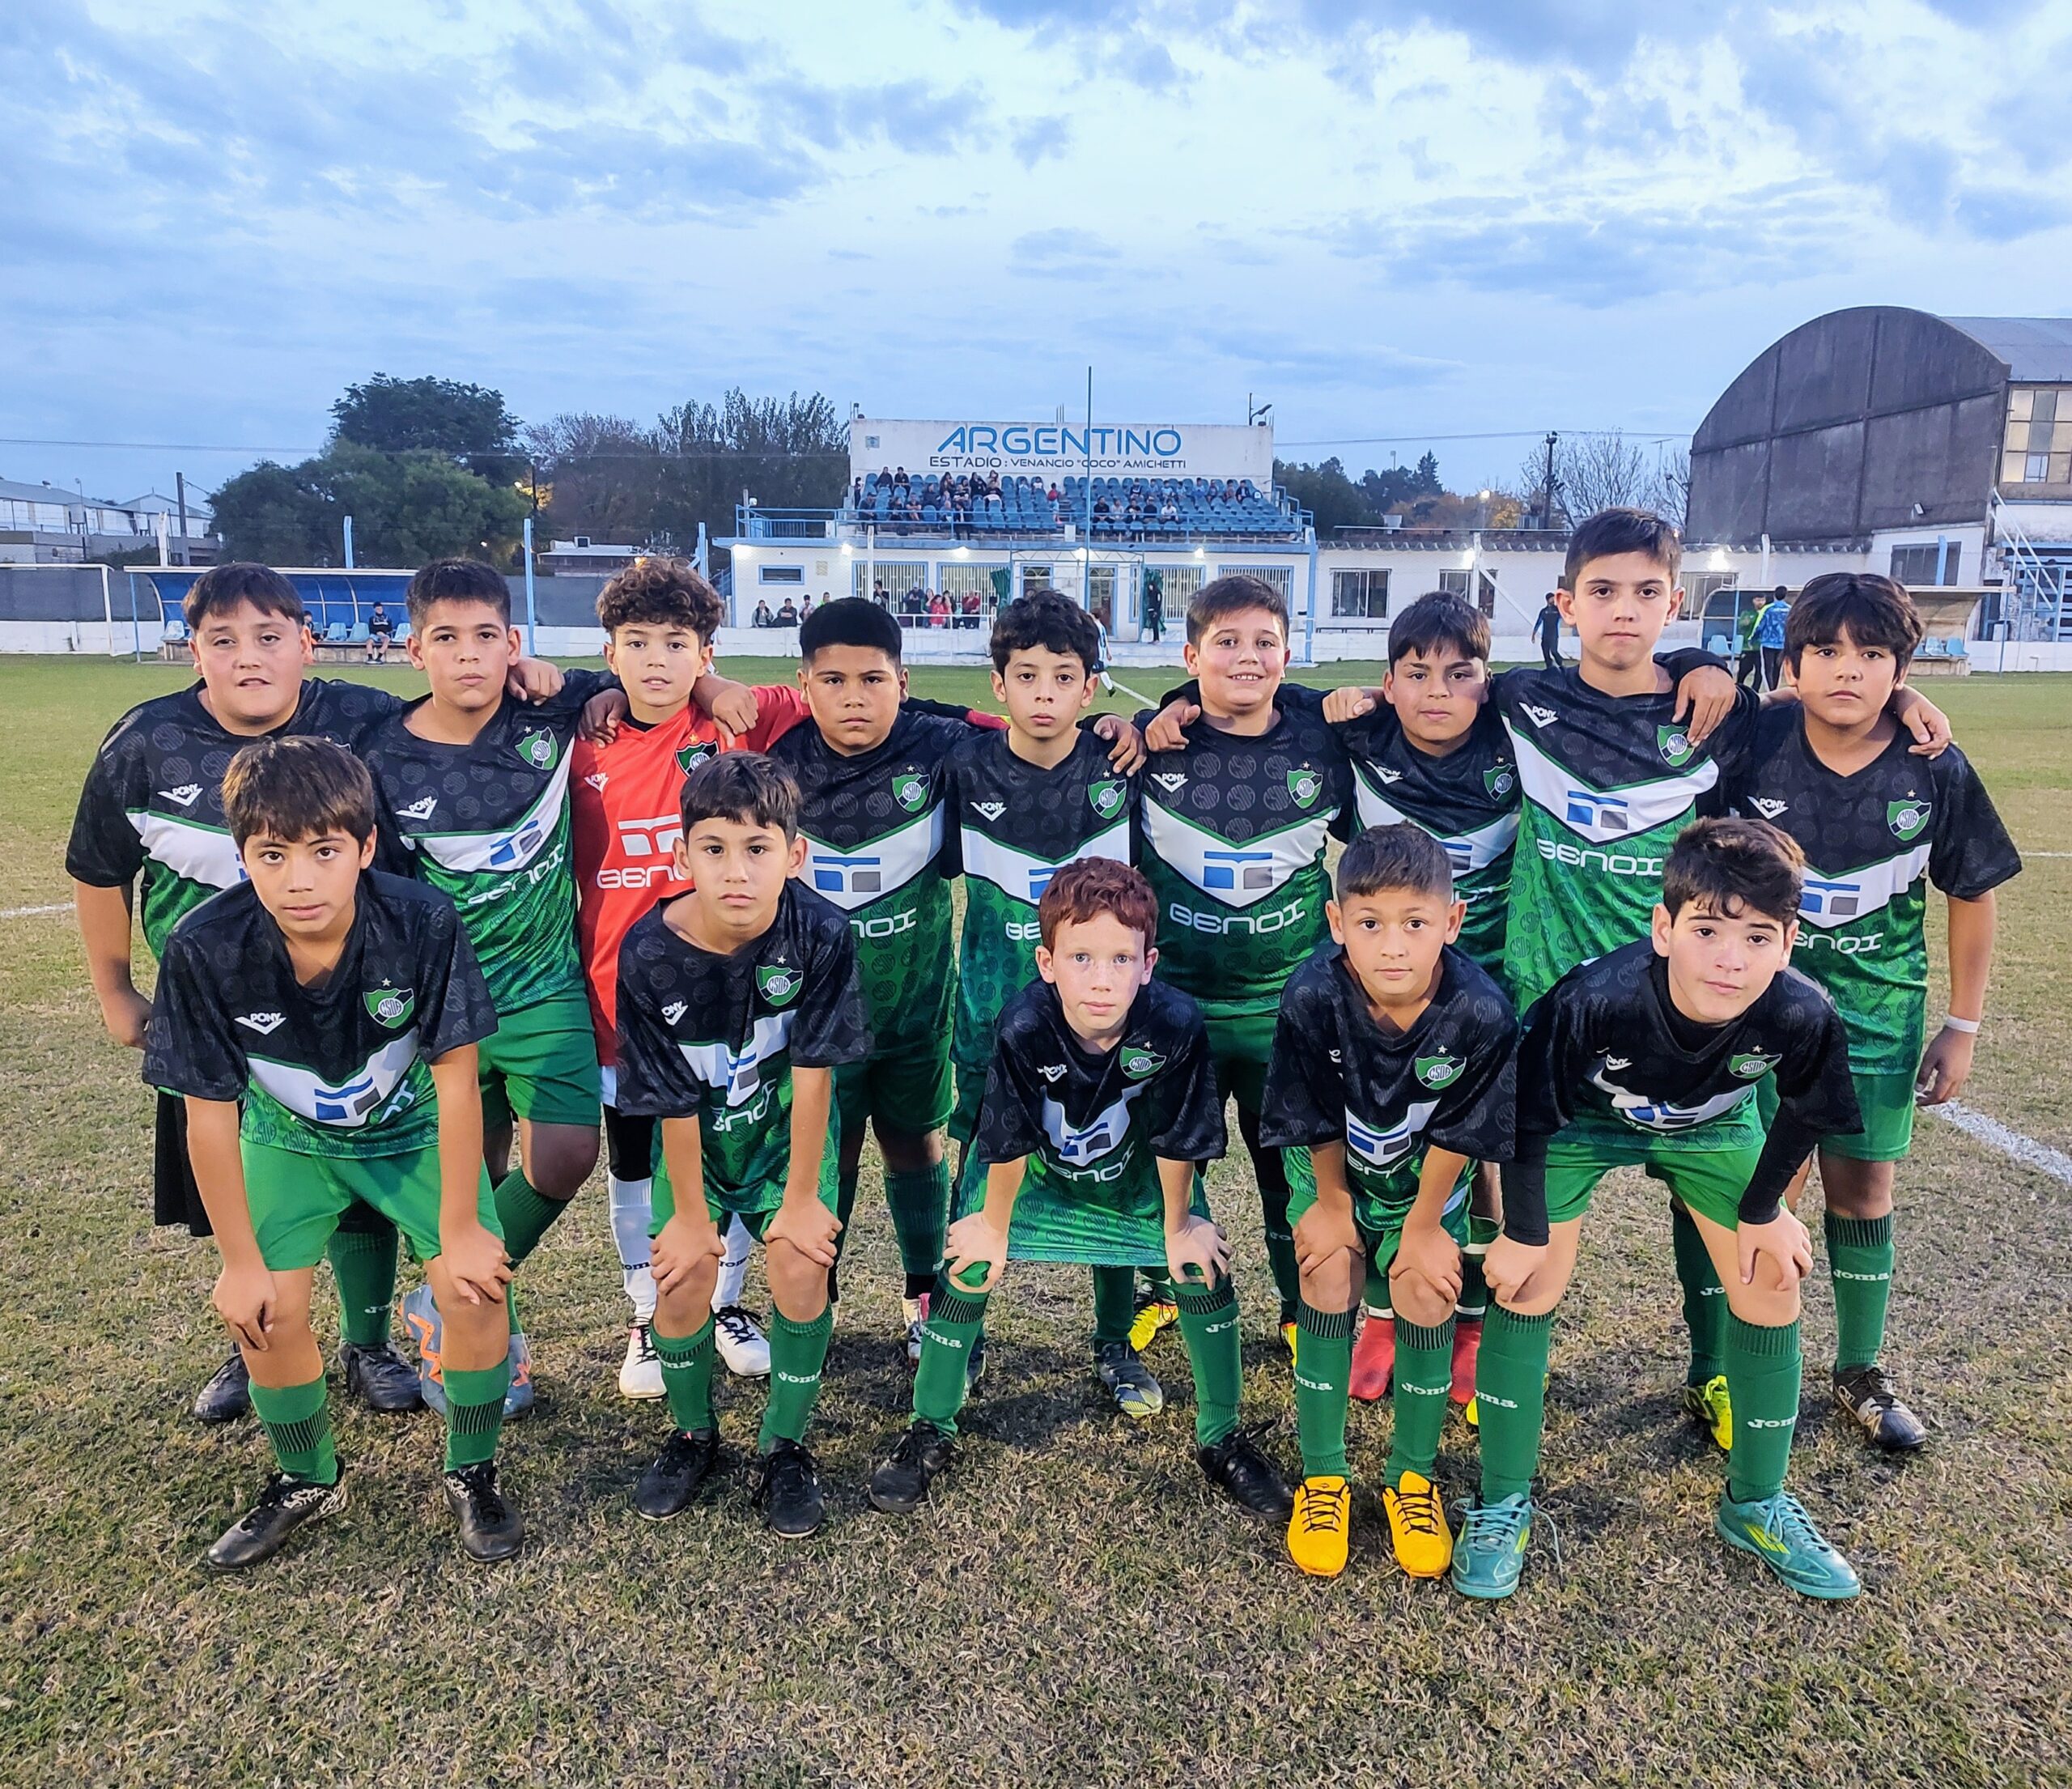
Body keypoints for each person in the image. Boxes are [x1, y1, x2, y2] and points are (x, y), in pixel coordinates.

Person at [66, 562, 558, 1423]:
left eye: (268, 638)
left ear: (306, 641)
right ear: (194, 650)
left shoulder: (359, 717)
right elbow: (99, 868)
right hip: (222, 1012)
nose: (248, 658)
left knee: (356, 1163)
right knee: (245, 1176)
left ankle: (369, 1342)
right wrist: (114, 988)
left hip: (352, 999)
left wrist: (528, 672)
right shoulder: (145, 742)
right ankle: (257, 1333)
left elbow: (457, 703)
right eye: (223, 641)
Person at [143, 735, 523, 1569]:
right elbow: (207, 1116)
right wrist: (238, 1261)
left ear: (366, 846)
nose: (300, 879)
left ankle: (472, 1467)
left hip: (411, 1131)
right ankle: (305, 1476)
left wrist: (462, 1226)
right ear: (242, 856)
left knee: (473, 1291)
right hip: (289, 1140)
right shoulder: (204, 946)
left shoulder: (421, 920)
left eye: (324, 851)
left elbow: (458, 1078)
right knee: (265, 1311)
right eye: (272, 855)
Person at [1463, 818, 1866, 1602]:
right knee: (1526, 1280)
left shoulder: (1801, 1012)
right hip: (1580, 1124)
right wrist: (1523, 1230)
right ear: (1663, 928)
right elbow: (1527, 1114)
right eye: (1707, 930)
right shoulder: (1595, 999)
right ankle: (1502, 1498)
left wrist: (1764, 1210)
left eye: (1757, 936)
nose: (1730, 957)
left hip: (1712, 1125)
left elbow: (1808, 1110)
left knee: (1771, 1274)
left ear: (1788, 943)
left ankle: (1755, 1503)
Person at [864, 860, 1293, 1523]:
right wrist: (993, 1228)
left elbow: (1178, 1137)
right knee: (970, 1262)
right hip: (1035, 1172)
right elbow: (1007, 1137)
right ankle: (931, 1426)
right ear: (1047, 962)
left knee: (1201, 1266)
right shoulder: (1024, 1024)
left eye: (1121, 959)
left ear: (1148, 965)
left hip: (1132, 1172)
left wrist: (1179, 1227)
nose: (1101, 978)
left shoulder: (1174, 1022)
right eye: (1081, 957)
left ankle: (1222, 1437)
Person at [1733, 572, 2020, 1450]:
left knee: (1862, 1193)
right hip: (1757, 1016)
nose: (1847, 670)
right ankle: (1745, 1366)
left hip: (1878, 1017)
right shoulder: (1755, 742)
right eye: (1825, 651)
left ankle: (1859, 1368)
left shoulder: (1933, 766)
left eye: (1872, 654)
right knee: (1761, 1192)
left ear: (1902, 668)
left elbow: (1971, 893)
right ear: (1791, 664)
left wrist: (1962, 1026)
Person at [362, 557, 619, 1417]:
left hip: (546, 985)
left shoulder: (550, 710)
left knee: (567, 1154)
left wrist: (588, 685)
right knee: (474, 1176)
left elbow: (637, 676)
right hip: (445, 1006)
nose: (467, 654)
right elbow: (384, 895)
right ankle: (479, 1334)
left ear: (512, 643)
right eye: (446, 637)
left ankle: (443, 1291)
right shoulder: (383, 755)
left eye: (485, 636)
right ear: (414, 651)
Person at [614, 754, 872, 1536]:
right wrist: (692, 1217)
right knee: (683, 1276)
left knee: (800, 1264)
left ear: (794, 856)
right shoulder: (648, 951)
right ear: (681, 855)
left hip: (784, 1136)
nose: (736, 871)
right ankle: (694, 1435)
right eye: (715, 848)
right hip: (697, 1143)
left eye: (758, 848)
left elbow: (817, 1070)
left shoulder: (821, 932)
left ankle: (783, 1446)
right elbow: (668, 1097)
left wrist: (801, 1199)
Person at [571, 558, 807, 1399]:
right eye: (637, 643)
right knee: (633, 1161)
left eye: (677, 643)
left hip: (729, 1002)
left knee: (727, 1155)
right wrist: (584, 692)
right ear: (610, 653)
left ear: (706, 651)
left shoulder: (736, 721)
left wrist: (718, 689)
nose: (657, 661)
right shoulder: (581, 739)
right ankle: (647, 1311)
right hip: (618, 1000)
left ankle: (725, 1302)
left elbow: (851, 694)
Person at [1261, 824, 1516, 1579]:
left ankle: (1412, 1477)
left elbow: (1464, 1129)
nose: (1393, 947)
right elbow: (1309, 1111)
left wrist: (1424, 1225)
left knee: (1425, 1287)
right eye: (1370, 924)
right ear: (1337, 922)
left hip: (1425, 1185)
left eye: (1415, 923)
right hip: (1335, 1172)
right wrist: (1331, 1203)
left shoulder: (1481, 1011)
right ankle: (1324, 1478)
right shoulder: (1312, 995)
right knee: (1326, 1270)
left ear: (1452, 921)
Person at [763, 600, 1008, 1357]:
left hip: (915, 1009)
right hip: (812, 1023)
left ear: (903, 682)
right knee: (825, 1154)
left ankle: (924, 1290)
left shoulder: (943, 750)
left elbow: (1029, 732)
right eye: (833, 681)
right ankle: (818, 1298)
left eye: (873, 680)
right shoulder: (778, 762)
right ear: (804, 684)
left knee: (915, 1143)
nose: (853, 698)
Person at [1131, 576, 1355, 1348]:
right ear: (1191, 656)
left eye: (1265, 642)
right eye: (1226, 642)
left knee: (1288, 1168)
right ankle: (1161, 1287)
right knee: (1164, 1160)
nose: (1247, 657)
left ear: (1288, 658)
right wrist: (1143, 718)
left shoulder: (1325, 746)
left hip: (1287, 1008)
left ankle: (1299, 1306)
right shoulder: (1151, 746)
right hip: (1175, 1004)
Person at [943, 593, 1145, 1409]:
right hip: (989, 1014)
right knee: (976, 1167)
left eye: (1063, 677)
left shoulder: (1120, 765)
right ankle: (962, 1332)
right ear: (998, 685)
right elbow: (902, 716)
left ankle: (1114, 1338)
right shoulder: (963, 768)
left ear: (1090, 688)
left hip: (1099, 1017)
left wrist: (1152, 719)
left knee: (1110, 1165)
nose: (1044, 694)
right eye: (1025, 676)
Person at [1756, 584, 1792, 690]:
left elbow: (1760, 624)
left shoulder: (1768, 609)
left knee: (1767, 668)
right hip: (1782, 643)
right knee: (1778, 668)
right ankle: (1775, 688)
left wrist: (1753, 638)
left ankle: (1770, 689)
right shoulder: (1790, 610)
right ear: (1785, 595)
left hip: (1768, 642)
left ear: (1774, 595)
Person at [1734, 593, 1765, 689]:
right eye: (1758, 600)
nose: (1760, 602)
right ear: (1753, 601)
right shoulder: (1747, 613)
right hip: (1748, 647)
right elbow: (1741, 625)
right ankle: (1739, 687)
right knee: (1745, 669)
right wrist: (1749, 621)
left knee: (1760, 670)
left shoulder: (1766, 613)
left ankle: (1755, 690)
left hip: (1761, 647)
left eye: (1762, 600)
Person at [1535, 593, 1563, 670]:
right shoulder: (1544, 611)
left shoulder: (1557, 610)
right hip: (1545, 635)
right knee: (1545, 652)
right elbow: (1539, 621)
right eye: (1552, 599)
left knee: (1554, 651)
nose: (1553, 600)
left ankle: (1561, 664)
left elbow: (1564, 617)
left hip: (1554, 635)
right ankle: (1549, 667)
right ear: (1548, 600)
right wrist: (1534, 633)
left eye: (1554, 599)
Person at [366, 600, 395, 665]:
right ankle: (370, 658)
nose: (380, 610)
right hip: (375, 635)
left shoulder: (387, 618)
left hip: (384, 635)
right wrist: (377, 632)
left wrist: (384, 633)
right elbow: (371, 628)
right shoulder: (372, 619)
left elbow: (390, 628)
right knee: (369, 642)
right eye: (378, 609)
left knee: (387, 640)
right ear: (375, 610)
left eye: (381, 608)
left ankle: (379, 658)